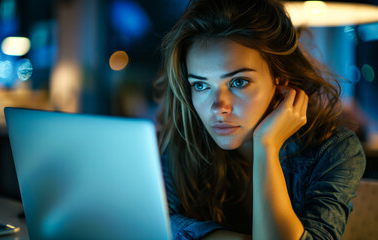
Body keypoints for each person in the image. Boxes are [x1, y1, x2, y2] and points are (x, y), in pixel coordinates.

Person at [154, 0, 366, 239]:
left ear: (280, 80)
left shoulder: (333, 150)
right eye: (201, 85)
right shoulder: (181, 144)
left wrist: (267, 145)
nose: (218, 107)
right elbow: (155, 224)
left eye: (238, 82)